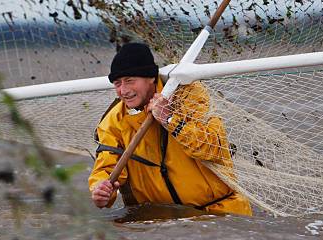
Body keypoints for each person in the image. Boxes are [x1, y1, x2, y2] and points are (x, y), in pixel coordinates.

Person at [89, 43, 252, 216]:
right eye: (117, 83)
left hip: (220, 215)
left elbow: (214, 149)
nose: (123, 90)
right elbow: (105, 170)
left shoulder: (189, 95)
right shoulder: (113, 122)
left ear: (151, 77)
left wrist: (170, 119)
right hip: (158, 223)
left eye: (130, 80)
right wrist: (101, 190)